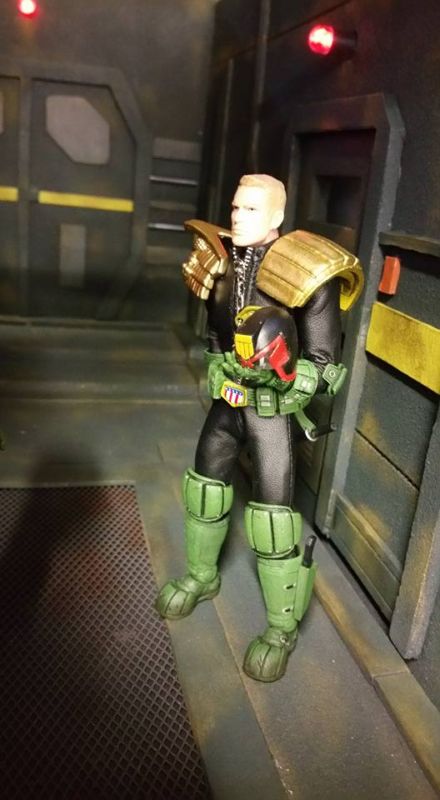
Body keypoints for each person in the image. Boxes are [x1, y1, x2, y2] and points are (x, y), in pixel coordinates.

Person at [155, 174, 363, 682]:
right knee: (205, 489)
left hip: (271, 410)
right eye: (235, 207)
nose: (237, 217)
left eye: (250, 209)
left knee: (273, 521)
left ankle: (280, 627)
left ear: (277, 217)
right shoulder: (219, 261)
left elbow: (325, 367)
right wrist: (219, 369)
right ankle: (202, 576)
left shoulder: (308, 273)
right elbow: (215, 336)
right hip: (228, 402)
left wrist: (285, 377)